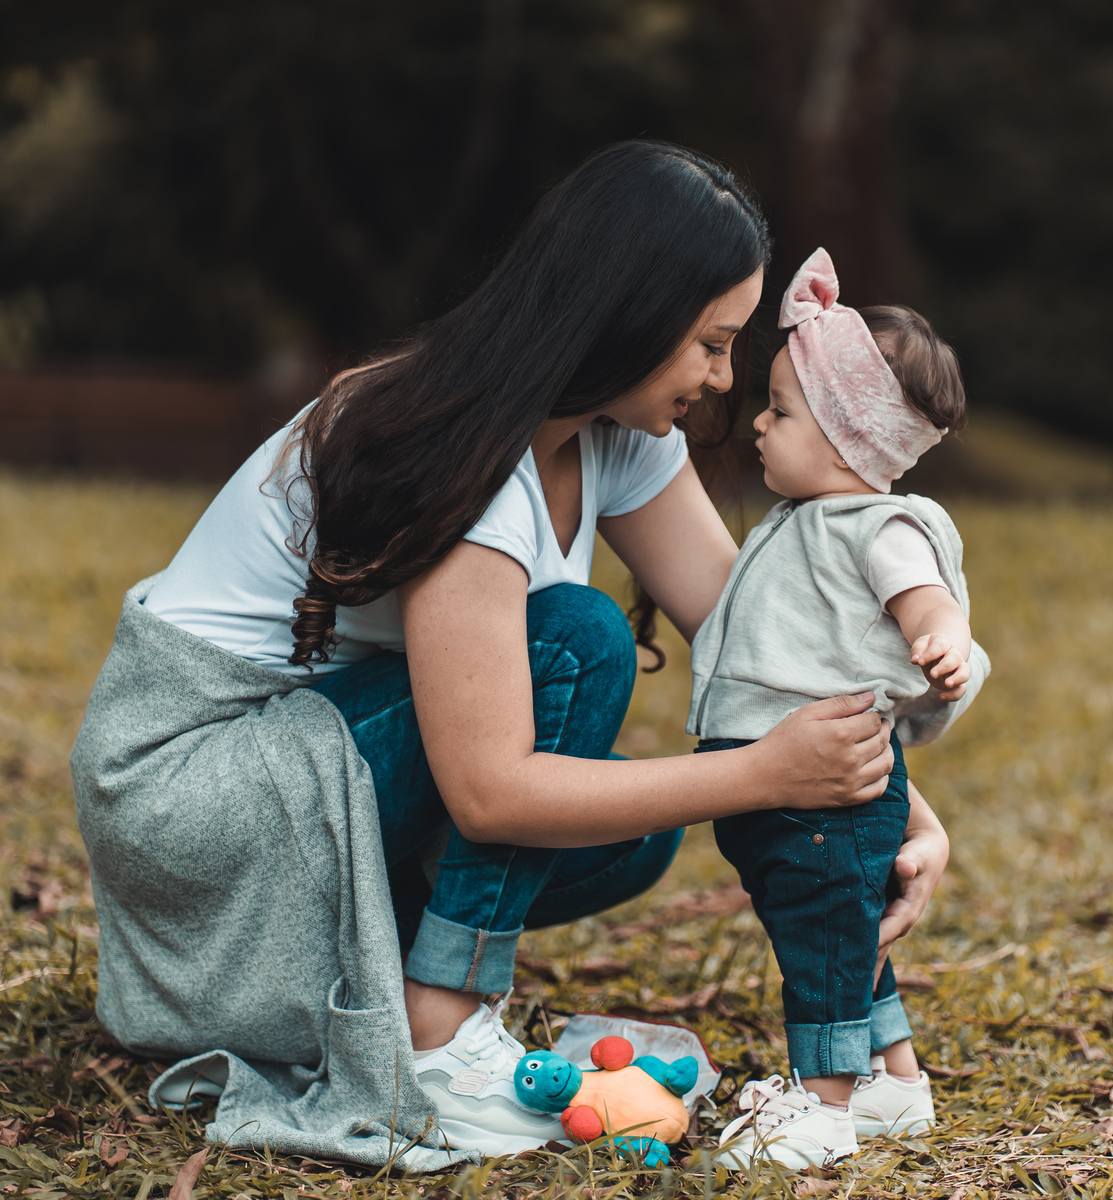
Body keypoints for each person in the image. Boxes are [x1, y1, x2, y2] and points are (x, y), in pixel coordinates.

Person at [70, 143, 950, 1168]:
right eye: (711, 343)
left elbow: (754, 637)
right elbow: (490, 794)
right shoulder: (463, 453)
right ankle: (439, 1033)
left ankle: (383, 983)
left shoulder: (616, 436)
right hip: (192, 797)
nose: (722, 379)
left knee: (631, 832)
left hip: (304, 777)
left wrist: (900, 807)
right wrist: (761, 774)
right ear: (627, 316)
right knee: (577, 643)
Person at [690, 249, 989, 1168]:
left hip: (826, 790)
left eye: (780, 412)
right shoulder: (805, 520)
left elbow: (925, 596)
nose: (759, 429)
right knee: (836, 926)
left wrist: (941, 640)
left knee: (824, 937)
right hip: (786, 784)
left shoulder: (878, 526)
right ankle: (892, 1081)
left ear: (851, 440)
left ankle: (820, 1108)